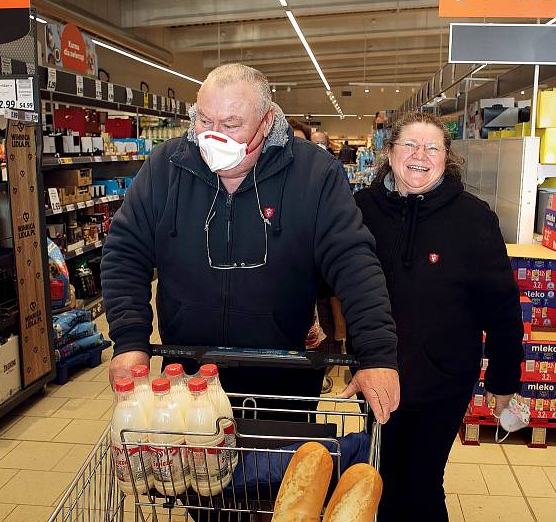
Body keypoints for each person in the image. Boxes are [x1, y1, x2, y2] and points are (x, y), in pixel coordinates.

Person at [101, 63, 400, 427]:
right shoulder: (167, 166)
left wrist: (377, 356)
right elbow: (124, 251)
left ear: (267, 120)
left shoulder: (314, 174)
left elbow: (354, 264)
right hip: (189, 378)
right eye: (204, 121)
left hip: (283, 376)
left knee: (276, 482)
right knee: (194, 478)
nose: (213, 136)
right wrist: (131, 340)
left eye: (230, 125)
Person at [354, 111, 524, 521]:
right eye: (409, 145)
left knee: (424, 481)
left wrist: (503, 379)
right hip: (377, 374)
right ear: (389, 152)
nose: (420, 155)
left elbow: (501, 304)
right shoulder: (359, 210)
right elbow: (325, 275)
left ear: (446, 157)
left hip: (445, 378)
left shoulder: (473, 217)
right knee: (382, 476)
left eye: (432, 147)